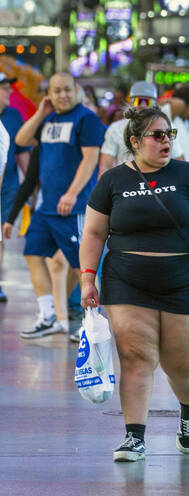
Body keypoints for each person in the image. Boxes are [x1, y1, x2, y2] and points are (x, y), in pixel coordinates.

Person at [79, 107, 189, 462]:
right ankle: (135, 436)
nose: (166, 141)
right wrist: (88, 277)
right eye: (157, 135)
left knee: (182, 362)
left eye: (169, 134)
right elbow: (93, 231)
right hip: (126, 279)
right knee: (135, 357)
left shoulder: (188, 174)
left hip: (180, 280)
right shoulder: (113, 181)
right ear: (134, 142)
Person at [14, 72, 103, 339]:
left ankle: (92, 322)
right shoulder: (49, 119)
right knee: (32, 253)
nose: (63, 95)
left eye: (67, 89)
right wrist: (41, 113)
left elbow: (90, 160)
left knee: (82, 266)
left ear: (77, 90)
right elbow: (21, 141)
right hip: (46, 208)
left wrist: (72, 194)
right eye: (56, 91)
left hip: (73, 207)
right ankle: (48, 316)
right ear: (49, 95)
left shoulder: (87, 119)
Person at [0, 72, 30, 302]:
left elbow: (21, 152)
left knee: (0, 236)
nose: (10, 92)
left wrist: (31, 186)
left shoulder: (13, 116)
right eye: (5, 88)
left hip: (8, 184)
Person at [99, 82, 166, 173]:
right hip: (124, 184)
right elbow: (105, 166)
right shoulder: (116, 128)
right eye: (138, 100)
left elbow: (178, 159)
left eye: (147, 101)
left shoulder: (165, 127)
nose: (143, 105)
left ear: (155, 103)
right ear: (131, 102)